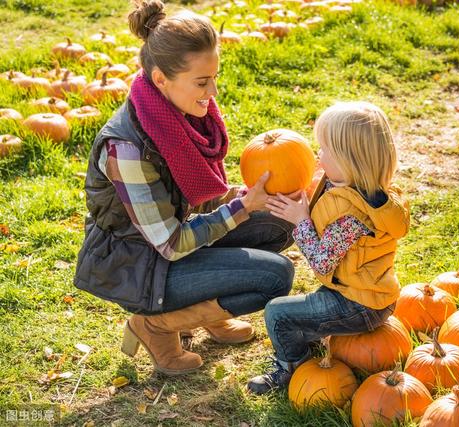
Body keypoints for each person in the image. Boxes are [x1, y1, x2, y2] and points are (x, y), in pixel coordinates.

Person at [73, 0, 298, 376]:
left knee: (278, 223)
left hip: (166, 245)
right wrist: (241, 209)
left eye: (214, 77)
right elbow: (171, 242)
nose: (212, 91)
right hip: (139, 264)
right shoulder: (127, 149)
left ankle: (207, 310)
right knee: (275, 276)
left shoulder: (179, 114)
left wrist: (251, 198)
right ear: (161, 78)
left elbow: (203, 196)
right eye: (201, 81)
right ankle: (155, 325)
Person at [247, 101, 410, 394]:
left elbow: (322, 262)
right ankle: (314, 338)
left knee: (277, 313)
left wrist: (300, 221)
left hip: (359, 304)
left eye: (325, 150)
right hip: (358, 290)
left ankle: (291, 368)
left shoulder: (353, 215)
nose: (318, 155)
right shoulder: (351, 185)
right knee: (302, 314)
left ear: (349, 160)